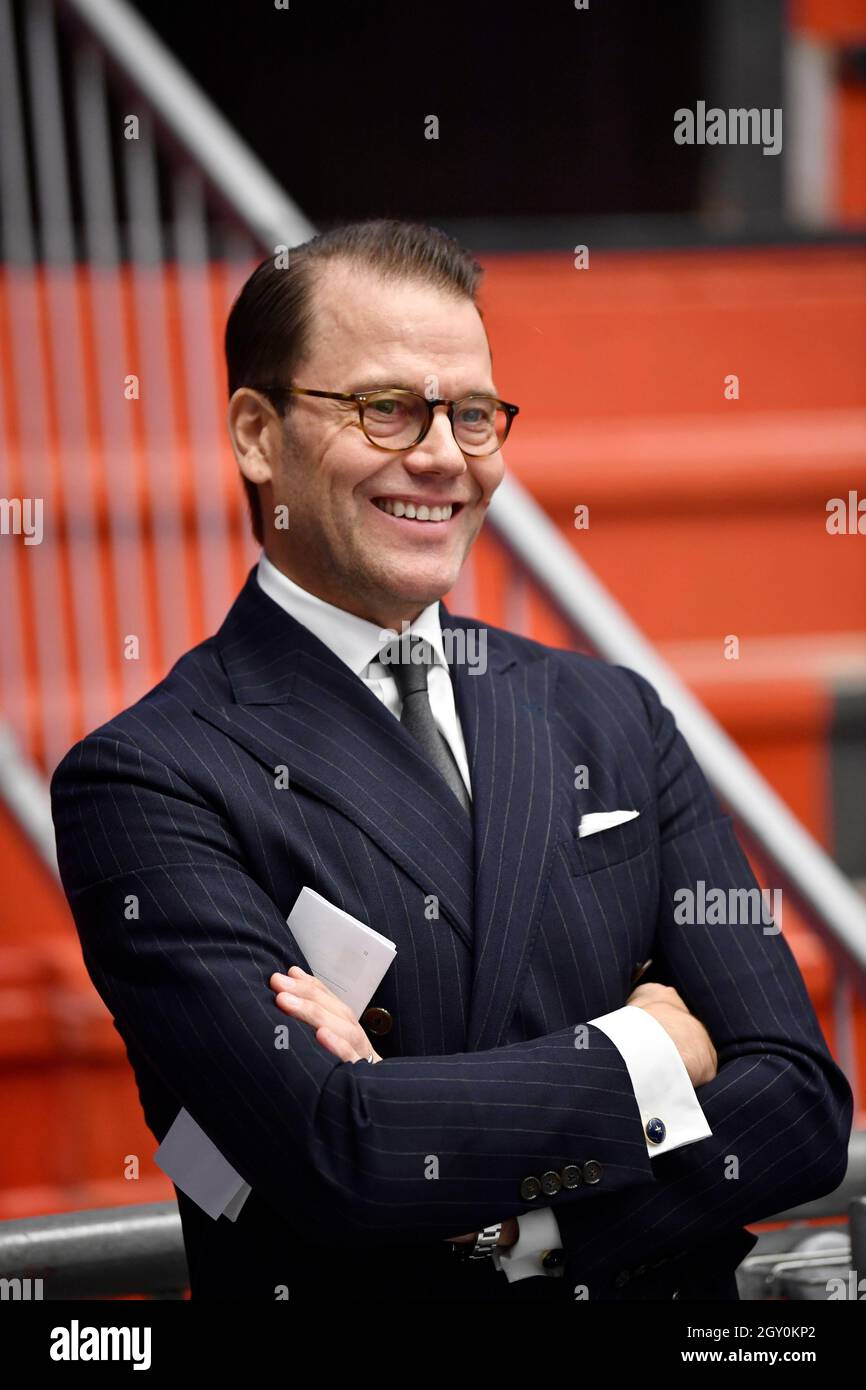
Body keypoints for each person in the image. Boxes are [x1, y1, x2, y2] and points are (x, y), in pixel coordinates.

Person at [50, 219, 852, 1302]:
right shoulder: (146, 776)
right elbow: (337, 1157)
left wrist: (515, 1224)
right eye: (386, 408)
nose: (439, 453)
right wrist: (649, 1051)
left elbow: (799, 1102)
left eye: (470, 413)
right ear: (254, 431)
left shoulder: (610, 713)